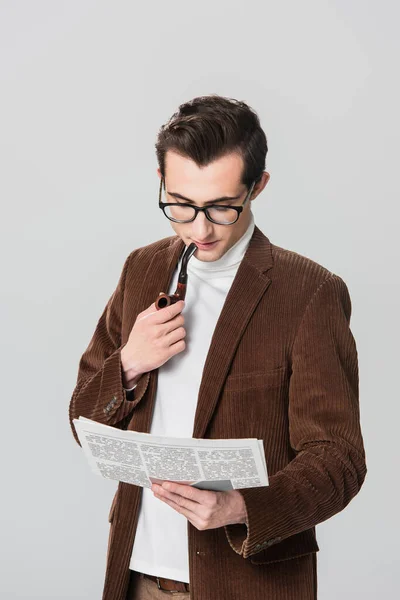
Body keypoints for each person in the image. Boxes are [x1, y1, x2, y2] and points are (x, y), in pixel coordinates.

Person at [68, 94, 367, 600]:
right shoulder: (141, 269)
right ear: (161, 180)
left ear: (258, 187)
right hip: (137, 576)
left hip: (247, 582)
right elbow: (83, 423)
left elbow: (339, 460)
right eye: (180, 205)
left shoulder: (310, 292)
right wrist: (129, 364)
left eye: (222, 207)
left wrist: (242, 508)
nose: (199, 228)